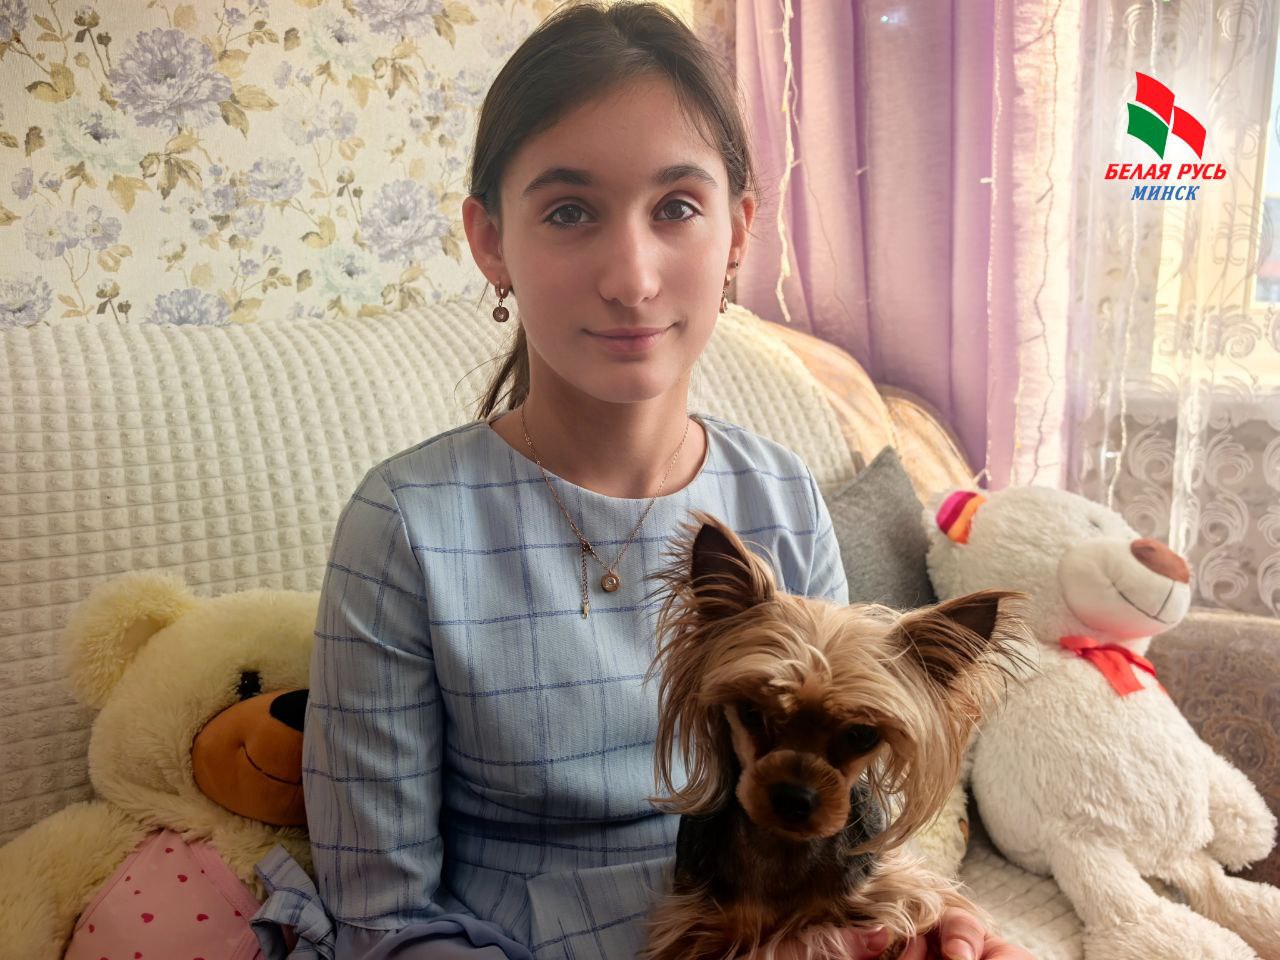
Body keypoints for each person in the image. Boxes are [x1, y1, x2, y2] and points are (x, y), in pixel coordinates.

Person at [251, 4, 1033, 960]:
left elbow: (837, 829)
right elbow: (383, 923)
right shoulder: (407, 527)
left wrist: (916, 920)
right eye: (569, 211)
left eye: (677, 207)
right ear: (490, 241)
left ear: (738, 230)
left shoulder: (779, 492)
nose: (632, 278)